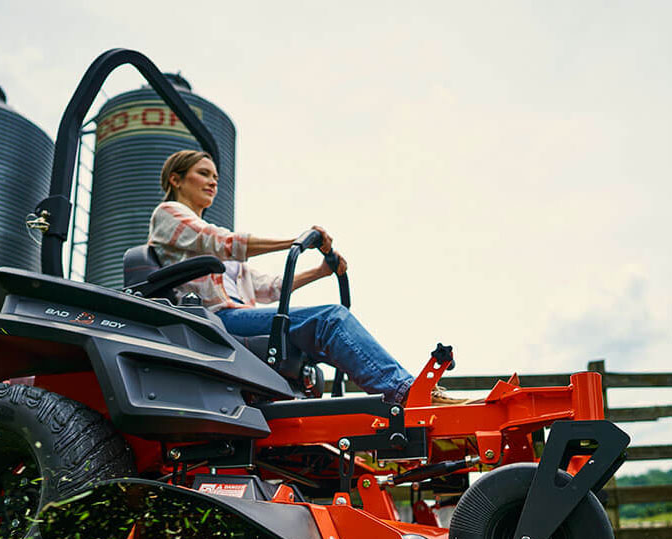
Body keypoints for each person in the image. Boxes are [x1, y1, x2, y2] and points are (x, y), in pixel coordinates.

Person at [147, 150, 465, 406]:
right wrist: (296, 241)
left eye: (216, 176)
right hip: (214, 322)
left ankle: (387, 402)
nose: (213, 182)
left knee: (324, 330)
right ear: (176, 179)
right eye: (203, 174)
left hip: (238, 315)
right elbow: (225, 243)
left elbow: (269, 287)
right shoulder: (169, 214)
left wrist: (320, 271)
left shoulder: (210, 245)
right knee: (329, 319)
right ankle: (408, 394)